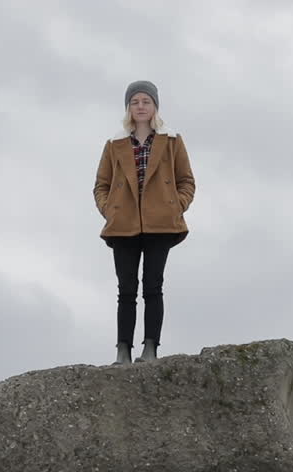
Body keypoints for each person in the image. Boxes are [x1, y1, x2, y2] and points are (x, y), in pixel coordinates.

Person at [93, 80, 196, 365]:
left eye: (146, 101)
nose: (140, 106)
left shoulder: (172, 140)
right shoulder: (114, 144)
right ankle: (122, 350)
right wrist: (110, 210)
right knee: (126, 289)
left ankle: (150, 349)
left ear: (155, 107)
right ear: (128, 107)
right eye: (135, 102)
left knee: (153, 286)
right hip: (123, 225)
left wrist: (175, 206)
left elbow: (186, 180)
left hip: (160, 225)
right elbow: (101, 184)